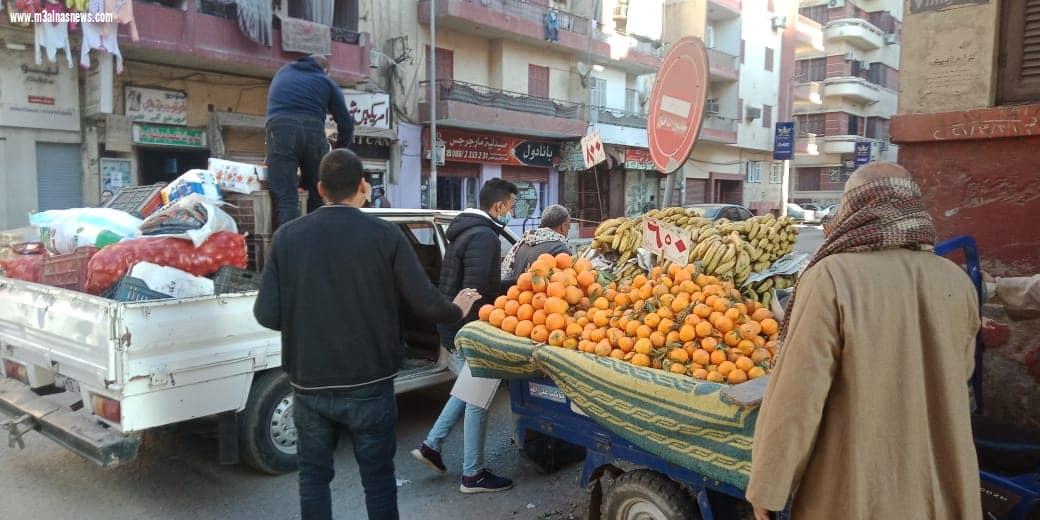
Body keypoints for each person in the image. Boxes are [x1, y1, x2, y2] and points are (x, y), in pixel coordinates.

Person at [253, 149, 482, 520]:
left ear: (320, 188)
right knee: (377, 479)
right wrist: (456, 308)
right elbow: (424, 301)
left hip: (309, 385)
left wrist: (308, 325)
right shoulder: (385, 235)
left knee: (313, 478)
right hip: (371, 384)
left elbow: (266, 313)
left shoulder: (287, 237)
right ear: (363, 185)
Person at [746, 162, 982, 520]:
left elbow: (797, 397)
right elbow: (960, 373)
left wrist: (768, 486)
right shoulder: (957, 281)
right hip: (940, 484)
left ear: (853, 210)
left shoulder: (830, 278)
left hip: (856, 490)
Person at [411, 178, 518, 494]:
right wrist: (515, 286)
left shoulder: (464, 231)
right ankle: (473, 475)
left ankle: (432, 445)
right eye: (511, 207)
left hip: (454, 322)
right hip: (471, 327)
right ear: (498, 206)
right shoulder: (484, 237)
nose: (511, 212)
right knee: (478, 398)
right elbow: (477, 291)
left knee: (467, 388)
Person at [265, 54, 355, 228]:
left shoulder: (282, 73)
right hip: (312, 130)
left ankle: (288, 250)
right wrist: (340, 151)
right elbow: (345, 122)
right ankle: (315, 244)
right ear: (325, 70)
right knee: (317, 194)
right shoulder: (326, 81)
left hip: (279, 129)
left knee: (286, 198)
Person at [501, 204, 572, 280]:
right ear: (563, 227)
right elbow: (564, 282)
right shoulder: (560, 250)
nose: (568, 230)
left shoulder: (523, 242)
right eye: (569, 227)